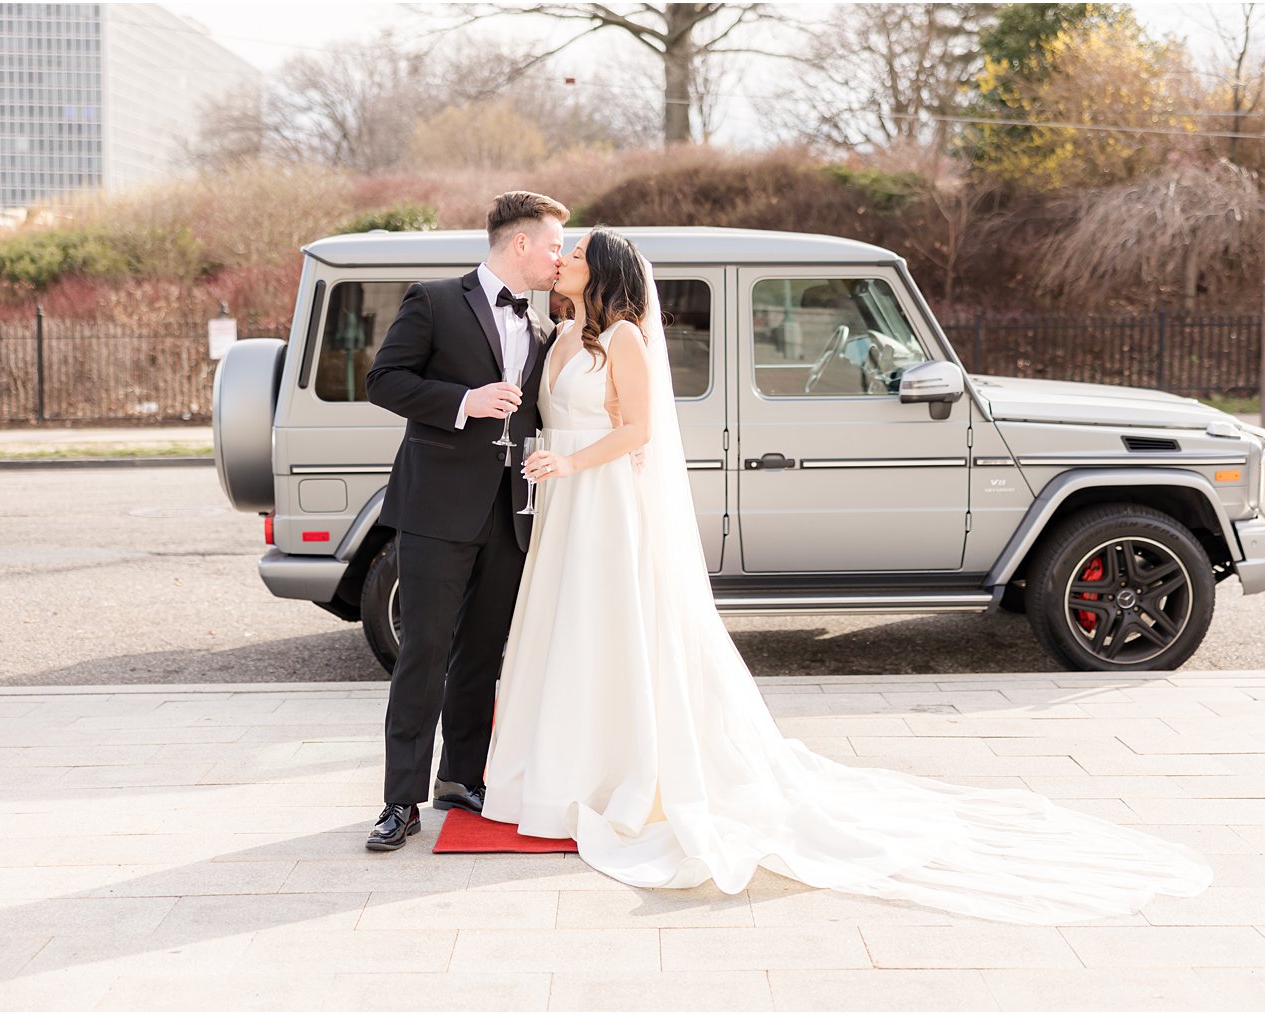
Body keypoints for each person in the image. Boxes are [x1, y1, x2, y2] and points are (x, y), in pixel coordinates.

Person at [481, 228, 1214, 923]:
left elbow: (638, 427)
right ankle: (569, 768)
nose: (564, 259)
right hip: (573, 502)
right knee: (572, 634)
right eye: (564, 251)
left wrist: (571, 460)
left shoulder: (627, 340)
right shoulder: (571, 337)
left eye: (576, 253)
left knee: (609, 632)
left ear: (603, 271)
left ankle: (616, 770)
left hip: (597, 494)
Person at [362, 191, 567, 851]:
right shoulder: (434, 300)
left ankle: (459, 777)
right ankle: (399, 800)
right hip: (434, 511)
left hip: (509, 515)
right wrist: (464, 401)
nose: (558, 258)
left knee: (482, 653)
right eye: (554, 245)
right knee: (422, 651)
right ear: (520, 245)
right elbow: (385, 381)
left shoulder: (542, 329)